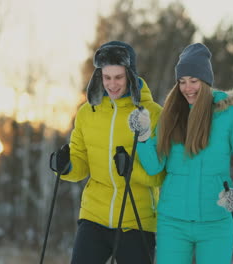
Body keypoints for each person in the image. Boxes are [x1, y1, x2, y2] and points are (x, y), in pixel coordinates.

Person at [129, 43, 233, 264]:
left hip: (215, 221)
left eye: (194, 81)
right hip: (173, 222)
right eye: (182, 82)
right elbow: (154, 166)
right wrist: (142, 137)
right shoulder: (172, 115)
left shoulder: (229, 115)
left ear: (206, 81)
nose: (187, 88)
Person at [50, 40, 165, 264]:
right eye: (107, 77)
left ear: (131, 76)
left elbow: (160, 175)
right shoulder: (87, 113)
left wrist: (131, 168)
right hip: (94, 214)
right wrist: (65, 166)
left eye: (119, 77)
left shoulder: (153, 114)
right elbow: (81, 164)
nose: (112, 84)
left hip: (137, 218)